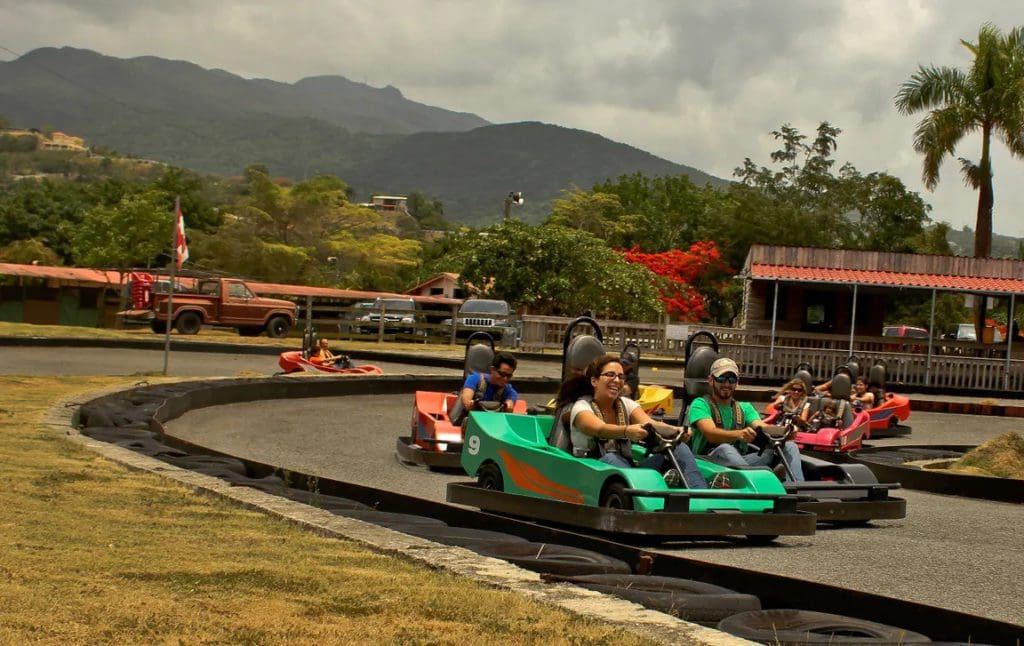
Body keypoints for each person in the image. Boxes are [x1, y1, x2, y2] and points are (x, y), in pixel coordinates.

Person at [555, 353, 708, 489]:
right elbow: (599, 429)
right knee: (610, 457)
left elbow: (652, 424)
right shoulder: (581, 408)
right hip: (590, 474)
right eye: (610, 375)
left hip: (628, 473)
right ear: (594, 381)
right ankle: (657, 486)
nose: (617, 380)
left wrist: (678, 431)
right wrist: (627, 431)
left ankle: (702, 495)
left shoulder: (625, 404)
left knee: (679, 448)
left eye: (621, 377)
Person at [689, 358, 804, 482]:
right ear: (711, 380)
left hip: (740, 463)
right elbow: (710, 433)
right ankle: (762, 481)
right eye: (721, 379)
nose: (727, 384)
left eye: (731, 380)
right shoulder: (700, 404)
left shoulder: (744, 407)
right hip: (708, 463)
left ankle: (797, 490)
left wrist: (785, 431)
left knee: (790, 446)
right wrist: (739, 435)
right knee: (725, 448)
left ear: (737, 382)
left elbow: (762, 427)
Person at [457, 352, 519, 420]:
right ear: (492, 369)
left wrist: (508, 406)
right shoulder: (474, 379)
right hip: (471, 421)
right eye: (502, 374)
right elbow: (467, 403)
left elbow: (510, 405)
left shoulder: (509, 391)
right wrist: (472, 404)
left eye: (509, 376)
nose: (505, 379)